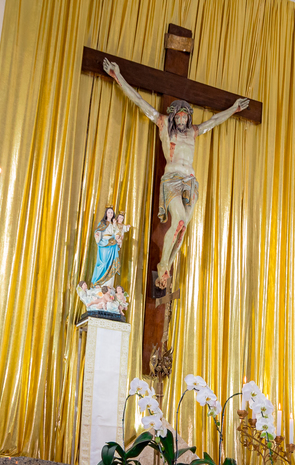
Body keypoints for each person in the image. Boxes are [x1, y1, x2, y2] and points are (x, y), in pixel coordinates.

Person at [102, 58, 249, 291]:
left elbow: (214, 120)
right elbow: (139, 101)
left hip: (190, 182)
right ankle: (162, 265)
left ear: (188, 117)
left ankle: (168, 265)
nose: (182, 120)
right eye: (178, 116)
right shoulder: (162, 124)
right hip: (171, 180)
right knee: (178, 221)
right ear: (173, 117)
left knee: (183, 228)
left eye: (185, 116)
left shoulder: (193, 132)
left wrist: (234, 109)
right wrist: (118, 76)